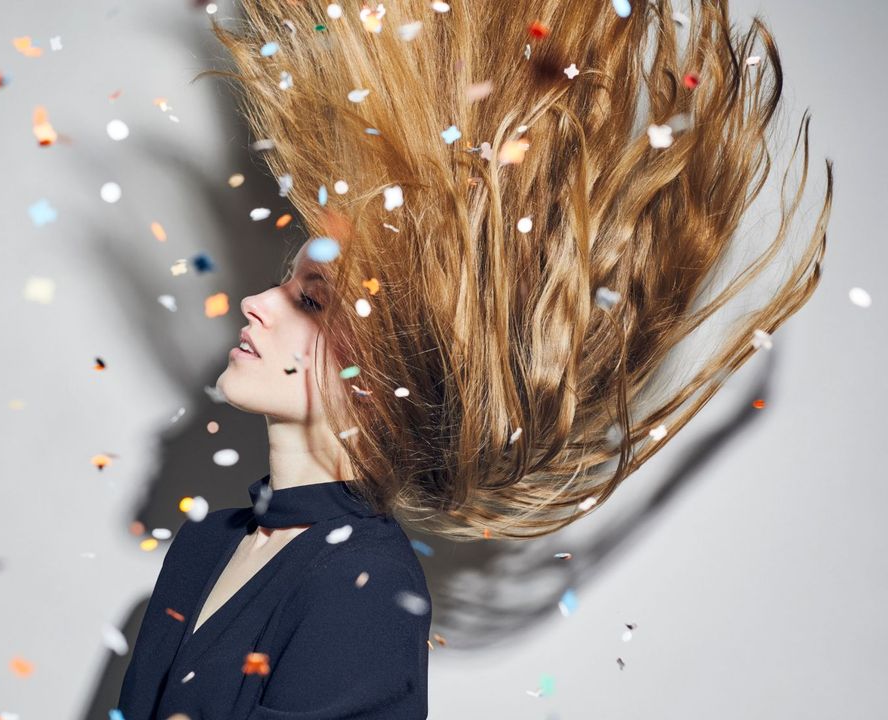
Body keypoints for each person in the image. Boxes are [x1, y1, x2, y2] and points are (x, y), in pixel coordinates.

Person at [118, 0, 832, 717]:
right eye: (286, 286)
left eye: (310, 300)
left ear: (383, 378)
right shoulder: (202, 546)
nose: (255, 304)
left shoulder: (365, 586)